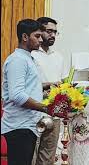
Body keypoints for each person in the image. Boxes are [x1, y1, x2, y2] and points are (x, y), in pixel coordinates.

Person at [1, 19, 54, 165]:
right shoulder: (17, 60)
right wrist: (45, 108)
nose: (40, 39)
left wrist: (49, 87)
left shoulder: (28, 59)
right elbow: (17, 95)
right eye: (36, 36)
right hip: (18, 127)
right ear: (25, 37)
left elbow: (29, 88)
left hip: (26, 126)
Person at [31, 17, 68, 165]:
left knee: (48, 155)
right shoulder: (31, 55)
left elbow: (64, 82)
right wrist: (48, 85)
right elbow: (29, 85)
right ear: (40, 32)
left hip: (54, 111)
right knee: (31, 154)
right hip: (34, 109)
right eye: (49, 31)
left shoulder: (58, 57)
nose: (52, 35)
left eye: (55, 32)